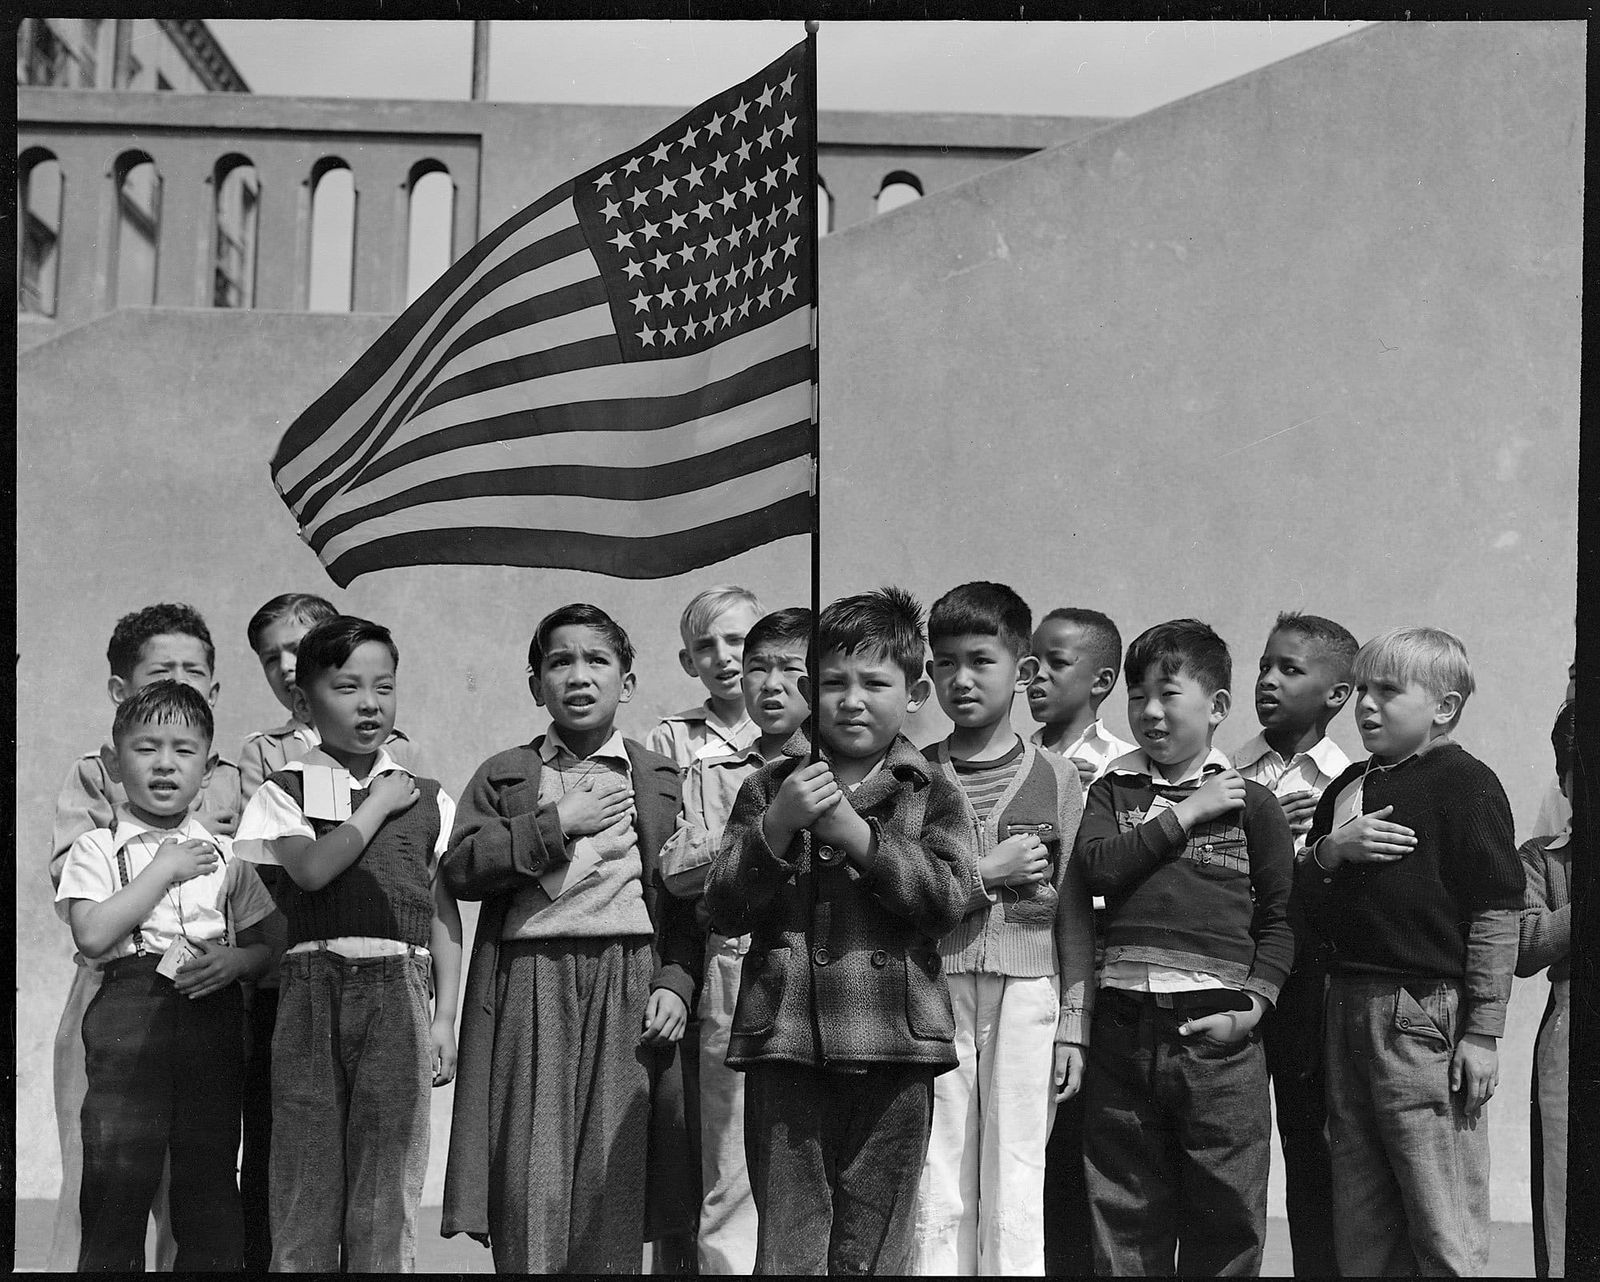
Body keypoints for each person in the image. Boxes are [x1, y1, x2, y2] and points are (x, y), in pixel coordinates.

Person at [704, 586, 976, 1275]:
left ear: (914, 692)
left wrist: (860, 837)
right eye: (832, 683)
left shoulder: (933, 789)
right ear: (807, 690)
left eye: (874, 682)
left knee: (874, 1245)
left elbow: (950, 899)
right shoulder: (772, 788)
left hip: (895, 1047)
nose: (851, 700)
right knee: (790, 1243)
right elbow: (723, 908)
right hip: (787, 1042)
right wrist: (778, 826)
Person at [440, 603, 699, 1273]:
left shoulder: (661, 779)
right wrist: (558, 821)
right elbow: (462, 868)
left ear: (628, 683)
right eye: (560, 662)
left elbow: (687, 895)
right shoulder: (506, 774)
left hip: (630, 975)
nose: (579, 676)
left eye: (597, 661)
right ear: (536, 685)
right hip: (532, 977)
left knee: (614, 1173)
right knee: (532, 1170)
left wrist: (674, 980)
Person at [233, 615, 462, 1272]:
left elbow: (441, 910)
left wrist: (444, 1017)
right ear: (304, 703)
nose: (369, 703)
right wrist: (372, 808)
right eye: (347, 687)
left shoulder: (428, 798)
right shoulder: (285, 788)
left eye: (383, 687)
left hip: (402, 989)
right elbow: (309, 870)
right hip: (310, 991)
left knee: (388, 1179)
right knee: (306, 1174)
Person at [1295, 626, 1523, 1275]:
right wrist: (1330, 853)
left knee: (1439, 1207)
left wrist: (1482, 1031)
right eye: (1361, 689)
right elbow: (1308, 900)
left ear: (1444, 707)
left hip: (1424, 1015)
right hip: (1347, 1011)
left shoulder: (1466, 785)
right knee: (1361, 1216)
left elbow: (1496, 912)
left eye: (1388, 691)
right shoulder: (1344, 788)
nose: (1367, 704)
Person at [1075, 618, 1294, 1276]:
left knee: (1224, 1215)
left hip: (1216, 1036)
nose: (1149, 711)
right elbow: (1097, 871)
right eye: (1136, 695)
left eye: (1168, 694)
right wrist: (1186, 813)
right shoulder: (1113, 793)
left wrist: (1253, 1007)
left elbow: (1281, 920)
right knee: (1123, 1211)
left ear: (1218, 706)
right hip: (1123, 1027)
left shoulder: (1255, 805)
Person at [46, 602, 243, 1273]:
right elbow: (89, 917)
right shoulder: (95, 780)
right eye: (165, 671)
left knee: (203, 1172)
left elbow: (256, 903)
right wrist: (163, 863)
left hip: (207, 996)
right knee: (110, 1171)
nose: (166, 763)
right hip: (118, 991)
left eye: (196, 673)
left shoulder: (233, 783)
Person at [910, 582, 1093, 1276]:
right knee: (940, 1168)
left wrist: (1075, 1018)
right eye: (947, 662)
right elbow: (907, 896)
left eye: (981, 661)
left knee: (1018, 1170)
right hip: (934, 990)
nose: (962, 678)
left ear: (1021, 674)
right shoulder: (915, 777)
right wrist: (986, 872)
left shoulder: (1059, 777)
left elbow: (1075, 911)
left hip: (1031, 995)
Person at [659, 606, 813, 1274]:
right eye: (757, 669)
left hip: (832, 971)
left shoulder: (853, 763)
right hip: (737, 970)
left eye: (791, 671)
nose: (769, 685)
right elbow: (679, 869)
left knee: (818, 1162)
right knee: (733, 1168)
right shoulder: (713, 770)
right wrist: (769, 829)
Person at [1230, 611, 1356, 1276]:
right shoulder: (1221, 770)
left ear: (1337, 694)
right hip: (1230, 974)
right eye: (1263, 666)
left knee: (1314, 1149)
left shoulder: (1352, 780)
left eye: (1290, 669)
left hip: (1310, 985)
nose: (1268, 681)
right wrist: (1265, 830)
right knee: (1227, 1151)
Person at [1517, 699, 1576, 1278]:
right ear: (1565, 779)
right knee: (1565, 1191)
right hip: (1570, 1035)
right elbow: (1527, 945)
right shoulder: (1542, 860)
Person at [647, 584, 764, 768]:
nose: (722, 657)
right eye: (705, 646)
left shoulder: (786, 726)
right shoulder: (672, 737)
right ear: (689, 662)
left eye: (735, 640)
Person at [1027, 606, 1136, 791]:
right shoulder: (1015, 761)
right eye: (1033, 661)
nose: (1038, 673)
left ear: (1101, 681)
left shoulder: (1127, 767)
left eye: (1058, 662)